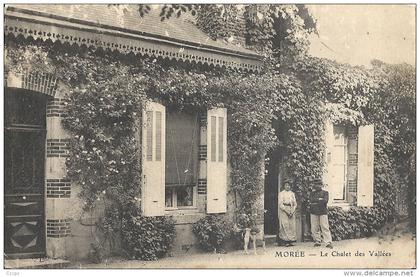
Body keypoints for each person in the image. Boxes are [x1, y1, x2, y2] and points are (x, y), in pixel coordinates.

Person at [310, 179, 333, 249]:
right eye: (316, 184)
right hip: (314, 212)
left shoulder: (325, 193)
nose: (317, 186)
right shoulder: (312, 193)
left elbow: (325, 201)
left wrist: (317, 201)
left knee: (325, 227)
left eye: (319, 184)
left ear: (321, 185)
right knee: (314, 228)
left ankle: (328, 242)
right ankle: (317, 241)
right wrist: (320, 200)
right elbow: (311, 201)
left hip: (323, 212)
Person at [278, 179, 297, 247]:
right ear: (284, 186)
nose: (287, 187)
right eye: (286, 185)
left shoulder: (292, 194)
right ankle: (285, 241)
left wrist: (292, 211)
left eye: (289, 185)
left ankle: (290, 241)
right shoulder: (281, 193)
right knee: (284, 224)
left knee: (291, 225)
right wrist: (286, 211)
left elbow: (295, 203)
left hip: (291, 209)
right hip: (284, 210)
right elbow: (280, 204)